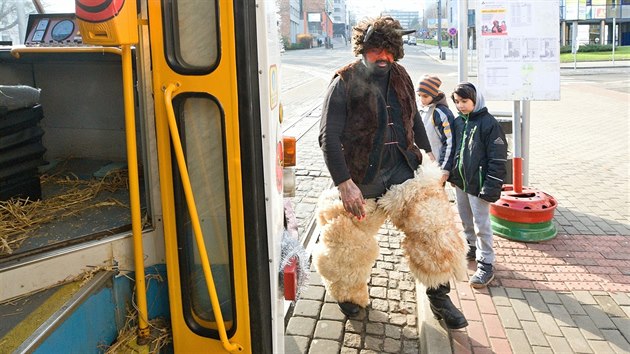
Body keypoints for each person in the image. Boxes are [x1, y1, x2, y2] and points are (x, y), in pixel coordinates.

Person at [315, 16, 468, 330]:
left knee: (434, 231)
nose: (382, 57)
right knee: (346, 245)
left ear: (396, 51)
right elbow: (327, 136)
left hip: (404, 171)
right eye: (376, 50)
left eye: (389, 50)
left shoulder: (401, 75)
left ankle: (439, 298)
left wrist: (430, 162)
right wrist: (344, 184)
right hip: (362, 178)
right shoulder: (344, 81)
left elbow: (413, 121)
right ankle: (350, 295)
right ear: (363, 49)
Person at [449, 82, 507, 288]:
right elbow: (454, 150)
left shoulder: (489, 124)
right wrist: (452, 174)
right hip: (461, 182)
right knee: (465, 220)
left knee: (482, 224)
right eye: (457, 102)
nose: (460, 105)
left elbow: (498, 158)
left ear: (475, 99)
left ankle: (486, 263)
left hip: (480, 184)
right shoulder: (458, 122)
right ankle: (471, 247)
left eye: (464, 101)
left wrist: (492, 186)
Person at [417, 75, 455, 186]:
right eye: (419, 95)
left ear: (435, 95)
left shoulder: (441, 113)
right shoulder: (420, 109)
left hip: (435, 169)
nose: (422, 99)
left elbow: (449, 143)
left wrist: (444, 169)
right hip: (420, 166)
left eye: (425, 96)